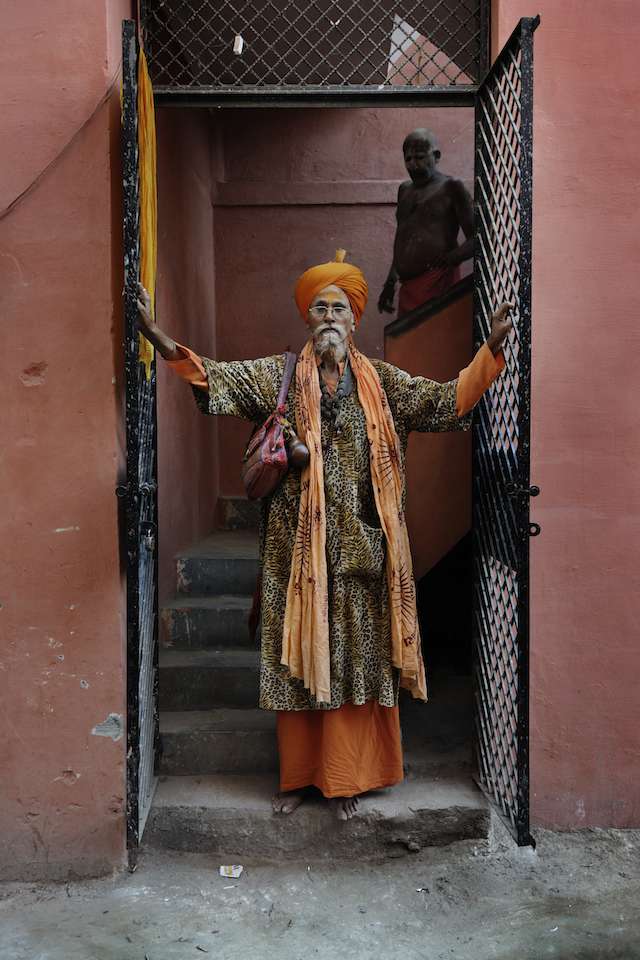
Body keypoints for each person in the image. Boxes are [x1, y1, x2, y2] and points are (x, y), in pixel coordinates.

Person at [137, 254, 513, 821]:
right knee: (295, 667)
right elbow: (215, 377)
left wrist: (490, 353)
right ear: (307, 317)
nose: (330, 316)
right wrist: (156, 335)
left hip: (362, 552)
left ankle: (347, 780)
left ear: (356, 319)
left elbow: (444, 403)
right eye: (320, 307)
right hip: (295, 555)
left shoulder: (382, 383)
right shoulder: (278, 376)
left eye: (340, 307)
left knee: (356, 665)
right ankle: (299, 777)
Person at [378, 128, 474, 318]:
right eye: (408, 159)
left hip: (439, 280)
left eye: (420, 157)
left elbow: (478, 239)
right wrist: (391, 281)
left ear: (436, 156)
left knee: (438, 342)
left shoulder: (452, 186)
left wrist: (452, 256)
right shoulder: (404, 190)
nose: (413, 165)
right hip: (409, 287)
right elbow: (402, 237)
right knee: (410, 343)